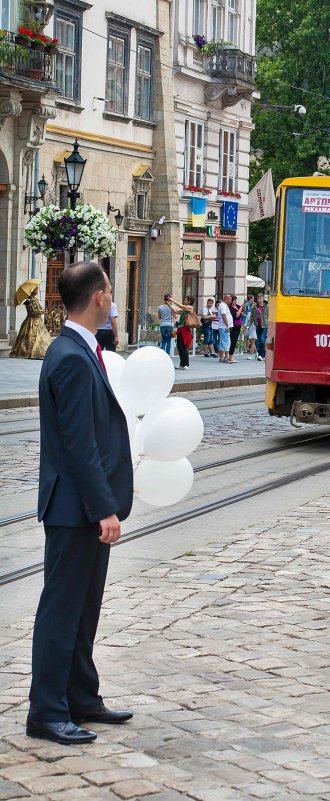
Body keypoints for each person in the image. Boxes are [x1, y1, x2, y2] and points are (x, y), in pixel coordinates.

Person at [28, 262, 134, 745]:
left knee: (85, 607)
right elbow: (78, 443)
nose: (111, 298)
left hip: (83, 507)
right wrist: (103, 508)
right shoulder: (69, 355)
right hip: (75, 509)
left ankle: (82, 696)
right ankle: (47, 711)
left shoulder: (81, 348)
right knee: (62, 610)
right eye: (109, 290)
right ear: (97, 298)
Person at [10, 287, 52, 359]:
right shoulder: (30, 301)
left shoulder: (35, 300)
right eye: (35, 290)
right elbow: (33, 312)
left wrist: (41, 310)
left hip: (38, 321)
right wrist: (42, 311)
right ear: (32, 291)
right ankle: (29, 352)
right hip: (31, 322)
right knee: (29, 337)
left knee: (42, 337)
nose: (37, 291)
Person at [168, 295, 195, 371]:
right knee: (179, 347)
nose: (184, 301)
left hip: (186, 331)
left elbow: (181, 306)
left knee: (184, 347)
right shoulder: (184, 310)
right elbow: (175, 311)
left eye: (186, 300)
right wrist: (168, 304)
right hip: (180, 330)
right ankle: (181, 364)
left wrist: (172, 300)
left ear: (189, 301)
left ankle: (186, 364)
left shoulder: (190, 308)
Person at [228, 295, 245, 364]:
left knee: (235, 341)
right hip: (234, 325)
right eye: (234, 300)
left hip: (239, 325)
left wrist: (244, 305)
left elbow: (242, 311)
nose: (235, 301)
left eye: (236, 300)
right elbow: (236, 315)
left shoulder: (237, 306)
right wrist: (241, 308)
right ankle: (230, 356)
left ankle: (231, 355)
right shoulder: (230, 308)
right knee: (233, 341)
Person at [217, 293, 233, 363]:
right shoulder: (223, 305)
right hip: (224, 327)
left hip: (223, 326)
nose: (231, 301)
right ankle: (226, 357)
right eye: (230, 299)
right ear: (226, 298)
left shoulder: (223, 305)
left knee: (222, 342)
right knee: (226, 342)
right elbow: (224, 316)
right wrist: (227, 326)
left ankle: (221, 357)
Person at [251, 294, 268, 361]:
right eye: (258, 298)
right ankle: (260, 353)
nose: (259, 299)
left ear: (263, 298)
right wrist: (248, 325)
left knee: (262, 339)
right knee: (257, 341)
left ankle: (262, 355)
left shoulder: (267, 306)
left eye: (260, 298)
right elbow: (252, 317)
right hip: (258, 325)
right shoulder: (255, 307)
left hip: (265, 325)